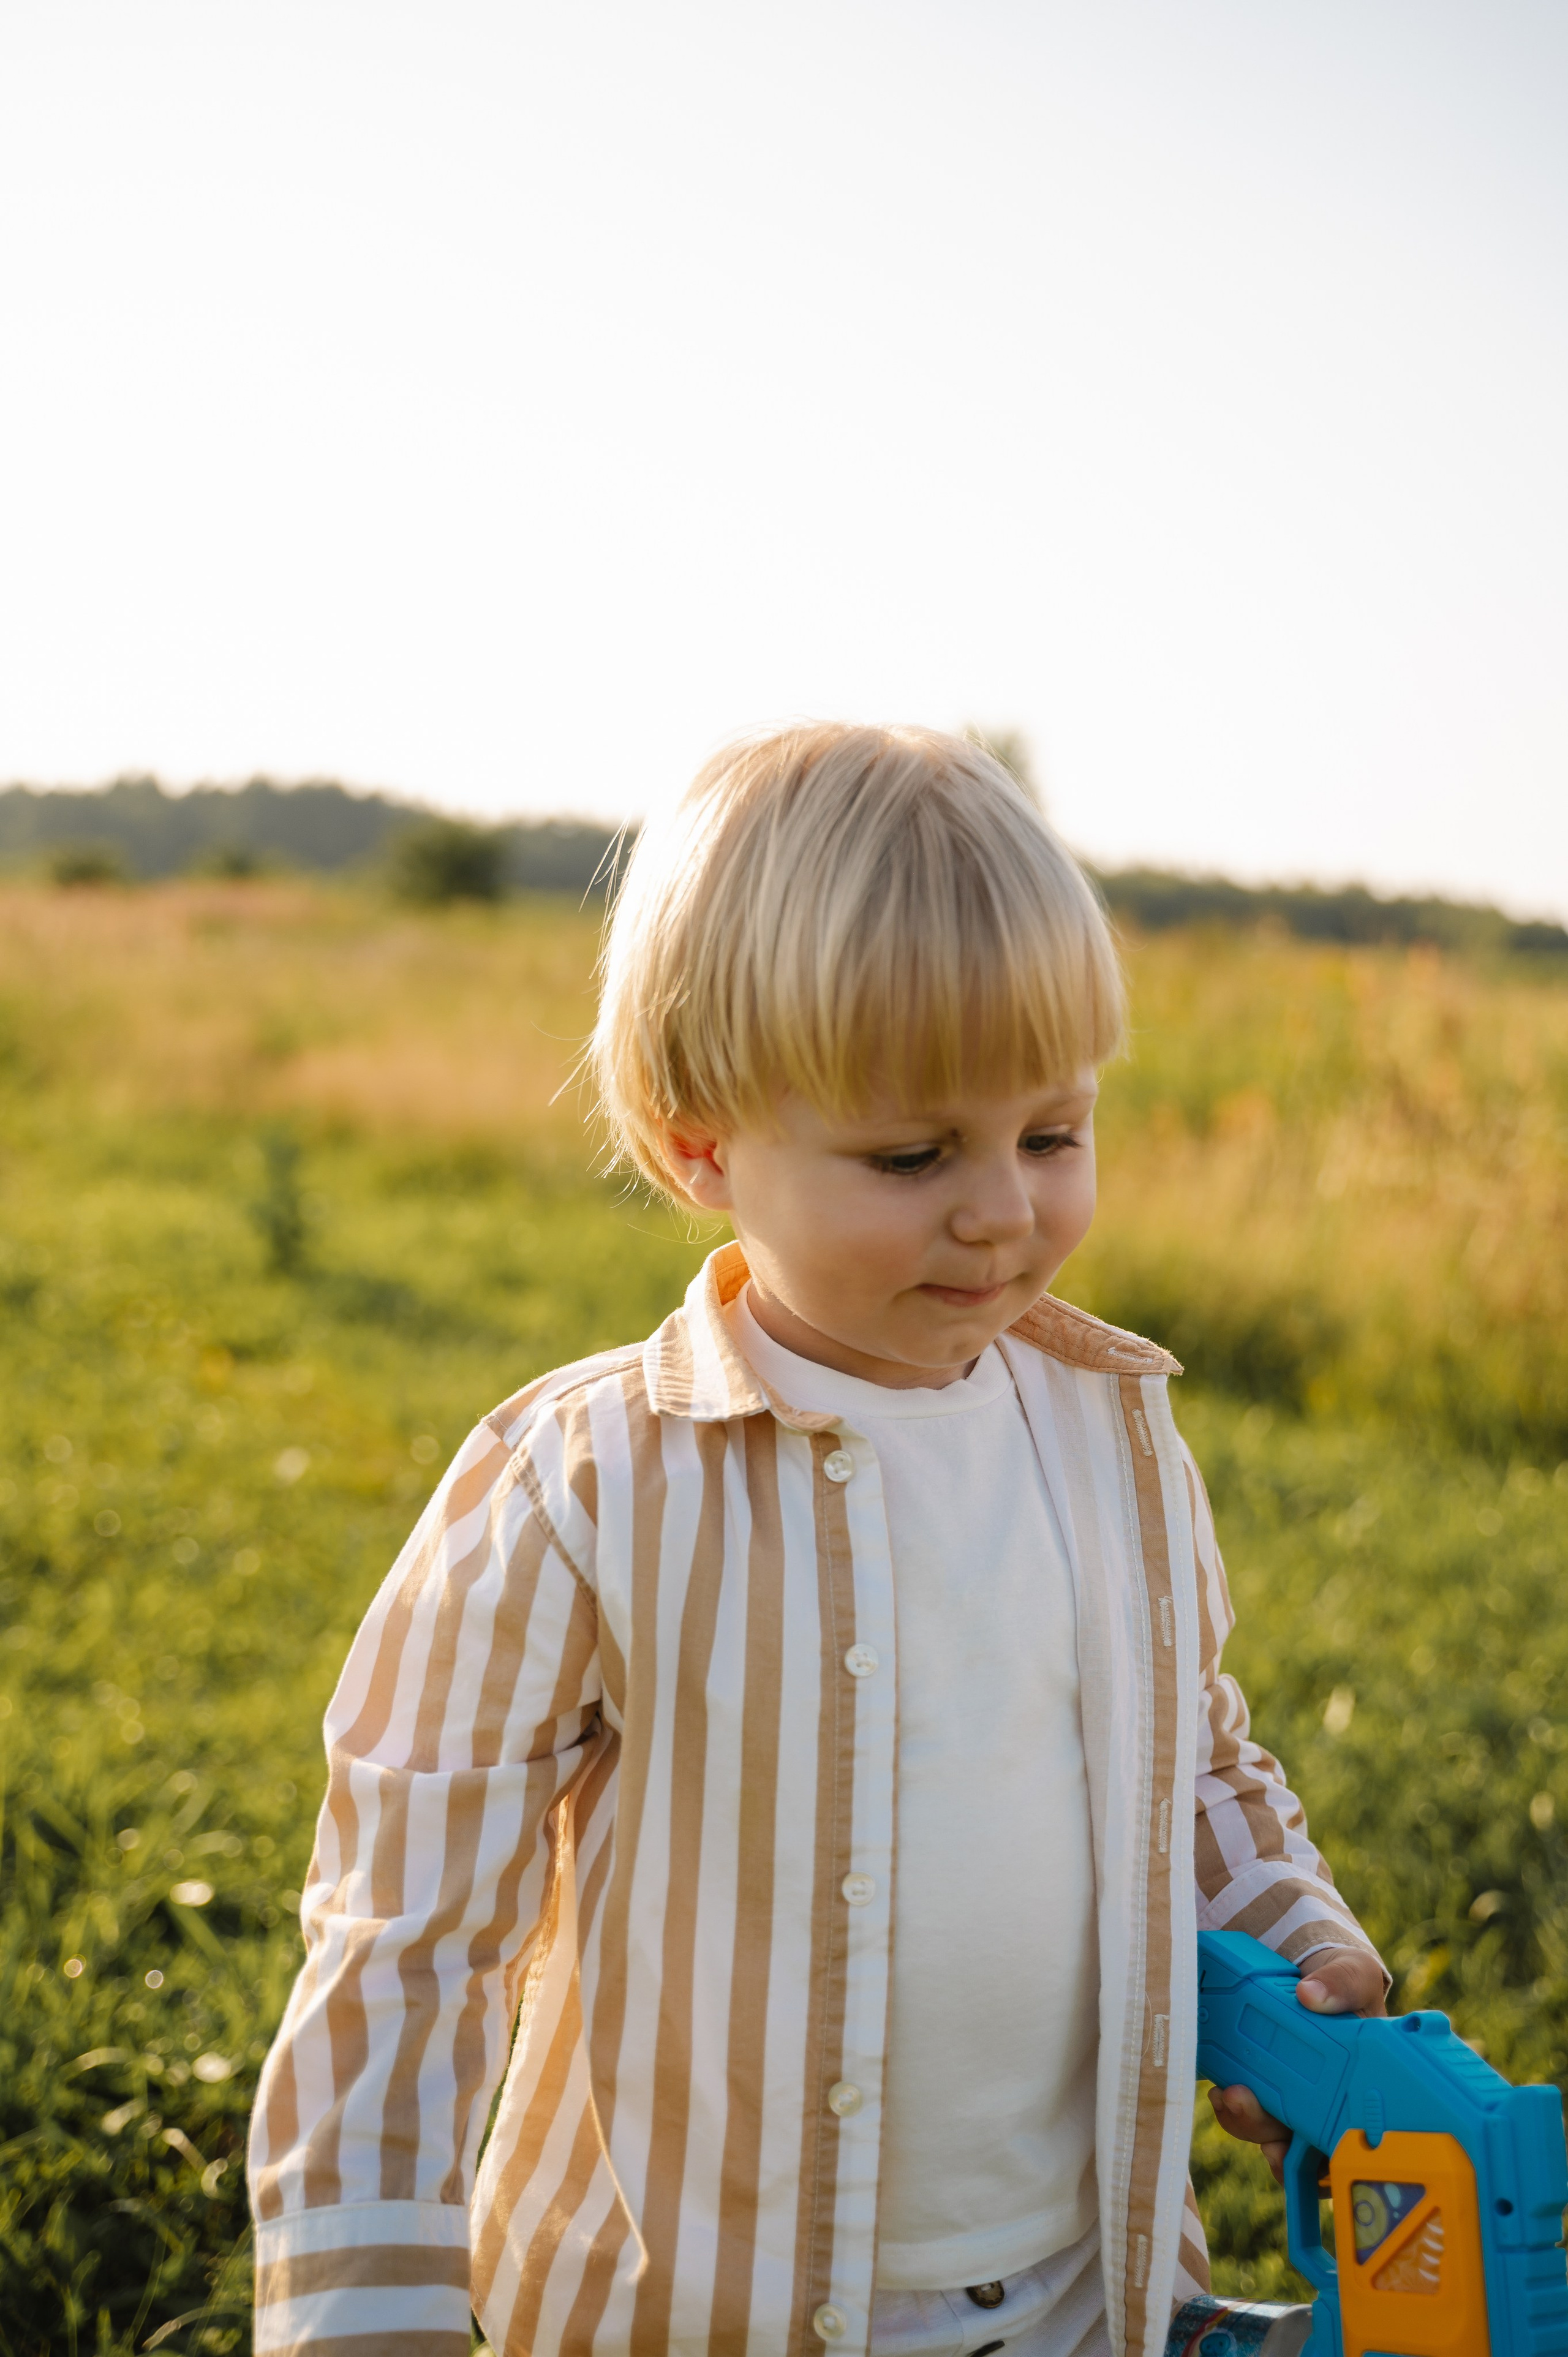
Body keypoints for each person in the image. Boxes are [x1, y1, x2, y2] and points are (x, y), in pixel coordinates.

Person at [248, 724, 1386, 2357]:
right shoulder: (581, 1489)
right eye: (913, 1156)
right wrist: (367, 2320)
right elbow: (407, 1951)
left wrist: (1299, 1941)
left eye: (1051, 1134)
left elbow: (1192, 1766)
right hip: (696, 2313)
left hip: (1092, 2293)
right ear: (700, 1142)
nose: (1001, 1211)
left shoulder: (1116, 1443)